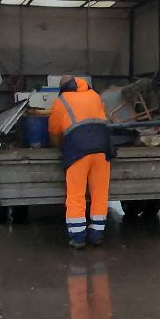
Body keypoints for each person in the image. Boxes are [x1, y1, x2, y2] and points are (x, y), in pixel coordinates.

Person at [48, 75, 113, 249]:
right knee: (100, 193)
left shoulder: (61, 100)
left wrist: (58, 144)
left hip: (77, 150)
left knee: (76, 195)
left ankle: (78, 238)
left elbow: (54, 131)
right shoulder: (95, 95)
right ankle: (97, 235)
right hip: (102, 148)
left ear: (63, 88)